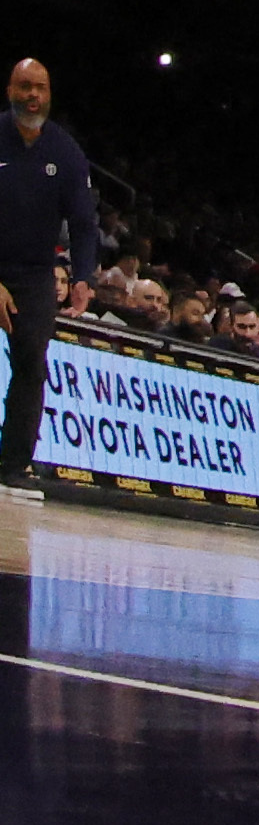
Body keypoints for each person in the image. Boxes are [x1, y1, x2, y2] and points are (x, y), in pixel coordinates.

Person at [0, 57, 99, 497]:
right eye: (24, 86)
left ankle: (15, 465)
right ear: (10, 90)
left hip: (35, 272)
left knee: (31, 365)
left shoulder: (66, 151)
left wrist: (82, 275)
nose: (32, 96)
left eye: (39, 87)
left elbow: (82, 220)